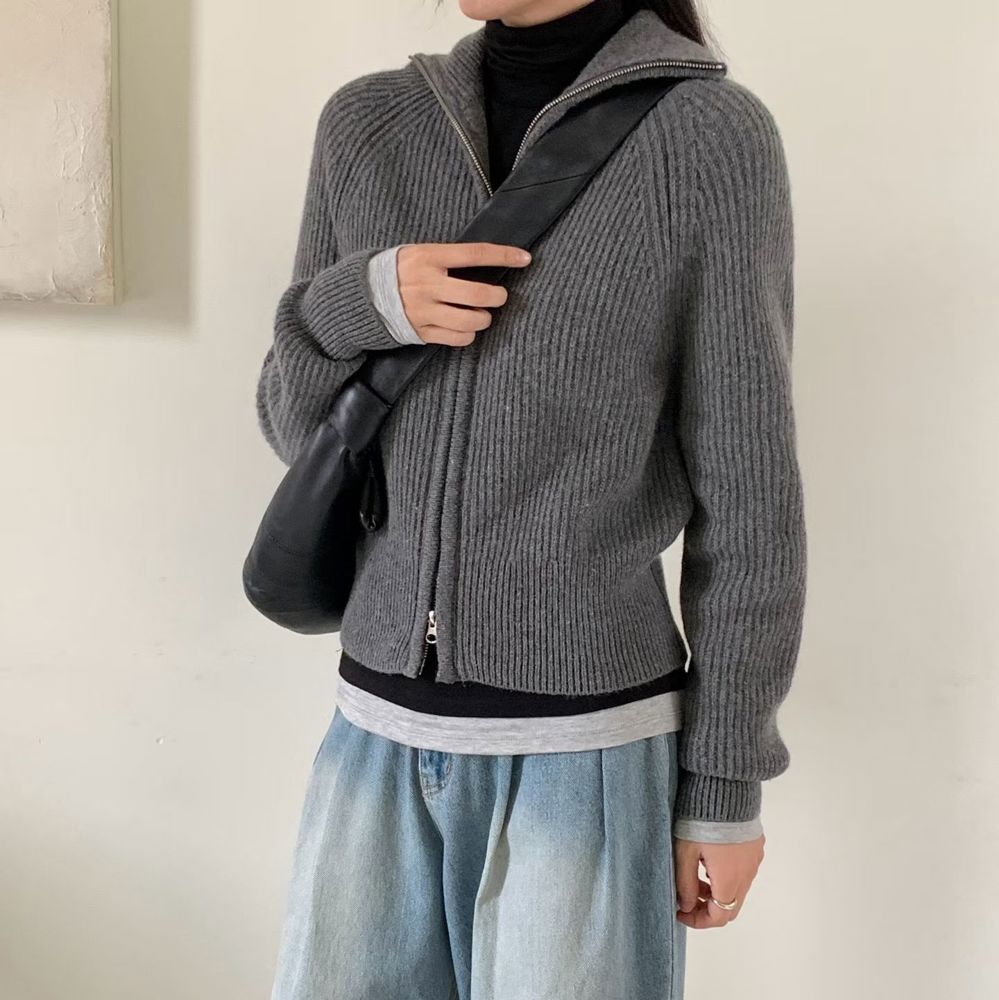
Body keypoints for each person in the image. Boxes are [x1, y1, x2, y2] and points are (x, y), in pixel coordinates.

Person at [256, 0, 807, 996]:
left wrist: (724, 789)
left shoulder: (708, 138)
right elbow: (297, 431)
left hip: (586, 755)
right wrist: (361, 300)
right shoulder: (368, 124)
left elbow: (750, 495)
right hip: (375, 737)